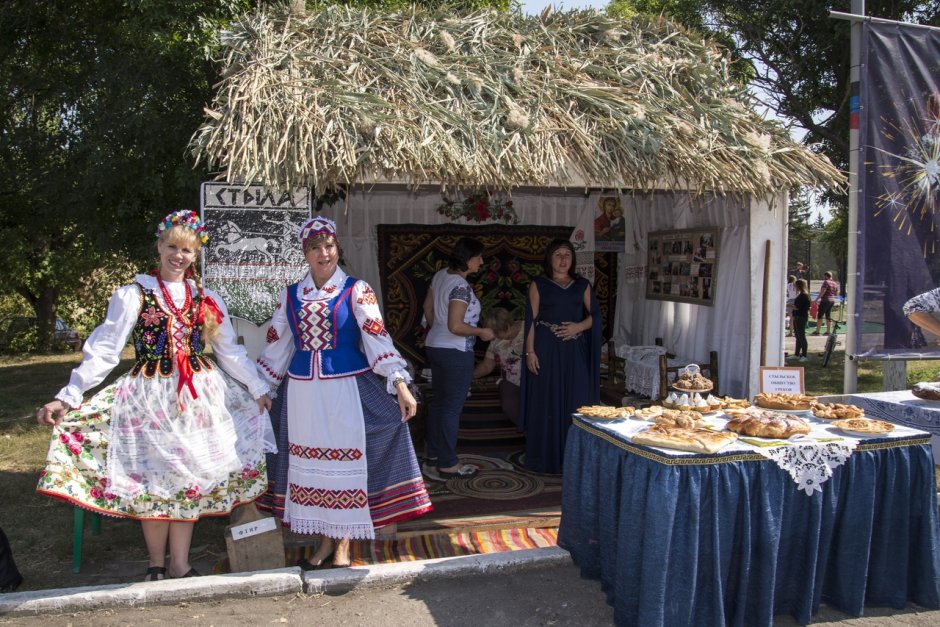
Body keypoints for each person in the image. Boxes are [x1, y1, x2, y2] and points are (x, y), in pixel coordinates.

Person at [35, 210, 275, 581]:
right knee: (155, 478)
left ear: (196, 255)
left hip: (197, 398)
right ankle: (155, 564)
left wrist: (257, 387)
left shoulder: (206, 297)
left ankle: (179, 564)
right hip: (148, 397)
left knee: (186, 478)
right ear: (159, 247)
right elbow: (105, 350)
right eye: (173, 247)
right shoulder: (134, 294)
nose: (179, 256)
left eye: (187, 250)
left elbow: (229, 352)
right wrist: (69, 395)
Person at [255, 216, 431, 570]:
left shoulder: (356, 289)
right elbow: (277, 348)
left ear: (338, 249)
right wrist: (259, 388)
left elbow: (377, 339)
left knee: (347, 463)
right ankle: (323, 542)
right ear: (305, 254)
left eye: (330, 247)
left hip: (346, 390)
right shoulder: (290, 295)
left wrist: (399, 384)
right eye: (316, 248)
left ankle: (343, 547)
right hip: (304, 395)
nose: (324, 254)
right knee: (314, 469)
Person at [520, 239, 601, 474]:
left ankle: (576, 459)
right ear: (549, 259)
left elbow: (595, 316)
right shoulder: (539, 284)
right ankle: (545, 459)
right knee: (548, 399)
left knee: (577, 399)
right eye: (558, 255)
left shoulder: (582, 285)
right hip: (546, 350)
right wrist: (530, 352)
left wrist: (578, 327)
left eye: (567, 255)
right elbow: (530, 321)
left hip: (575, 351)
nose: (563, 260)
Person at [422, 237, 495, 480]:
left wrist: (437, 331)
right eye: (479, 257)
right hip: (455, 351)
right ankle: (448, 463)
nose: (482, 261)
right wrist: (481, 332)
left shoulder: (441, 275)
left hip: (435, 346)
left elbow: (427, 307)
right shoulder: (461, 287)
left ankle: (433, 453)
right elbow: (456, 326)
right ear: (467, 259)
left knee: (440, 404)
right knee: (451, 408)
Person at [472, 308, 524, 424]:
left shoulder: (528, 328)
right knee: (509, 404)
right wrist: (468, 376)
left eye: (497, 332)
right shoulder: (495, 341)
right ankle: (528, 431)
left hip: (535, 379)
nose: (494, 336)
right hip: (511, 382)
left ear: (507, 325)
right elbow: (486, 366)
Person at [812, 271, 840, 336]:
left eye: (824, 276)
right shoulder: (834, 283)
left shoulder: (826, 282)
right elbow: (836, 293)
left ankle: (817, 331)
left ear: (826, 276)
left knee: (820, 315)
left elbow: (823, 291)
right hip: (832, 300)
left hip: (825, 300)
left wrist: (816, 299)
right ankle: (828, 331)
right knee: (828, 315)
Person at [790, 278, 811, 362]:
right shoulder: (800, 294)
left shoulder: (804, 295)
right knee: (797, 336)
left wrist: (788, 305)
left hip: (801, 317)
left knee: (801, 336)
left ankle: (804, 355)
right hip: (797, 317)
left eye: (796, 286)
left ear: (799, 286)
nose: (795, 287)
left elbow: (798, 307)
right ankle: (797, 354)